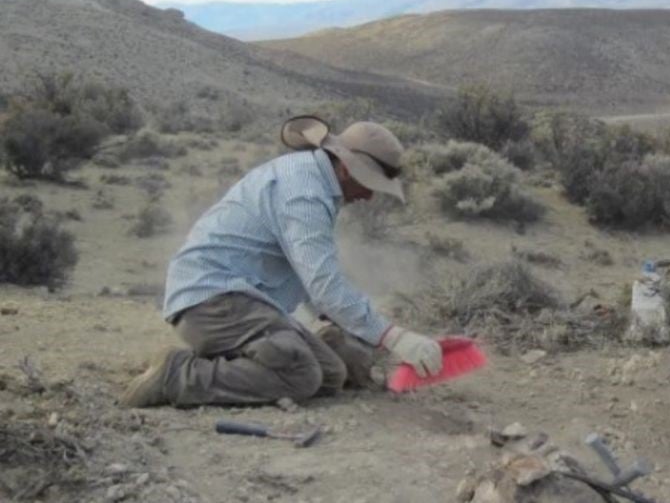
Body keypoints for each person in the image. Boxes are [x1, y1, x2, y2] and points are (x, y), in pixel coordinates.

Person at [119, 116, 443, 408]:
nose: (370, 197)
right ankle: (177, 375)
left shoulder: (311, 179)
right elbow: (325, 286)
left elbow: (307, 276)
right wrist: (394, 337)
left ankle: (305, 347)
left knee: (330, 375)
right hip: (213, 300)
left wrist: (343, 325)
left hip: (235, 300)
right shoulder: (304, 194)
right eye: (368, 184)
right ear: (345, 168)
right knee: (301, 375)